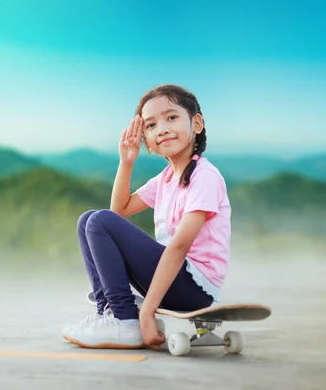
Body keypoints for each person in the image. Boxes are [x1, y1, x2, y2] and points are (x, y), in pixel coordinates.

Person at [62, 84, 231, 350]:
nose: (161, 129)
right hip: (172, 279)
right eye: (150, 126)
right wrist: (126, 161)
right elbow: (117, 213)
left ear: (196, 123)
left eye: (171, 117)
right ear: (146, 138)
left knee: (98, 221)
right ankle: (109, 312)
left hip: (192, 288)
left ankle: (125, 320)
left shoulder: (205, 177)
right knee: (89, 220)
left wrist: (146, 312)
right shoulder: (165, 179)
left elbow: (179, 247)